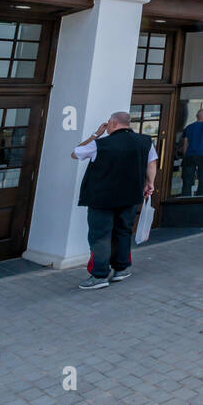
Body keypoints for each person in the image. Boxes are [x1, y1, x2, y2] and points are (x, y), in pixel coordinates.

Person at [71, 111, 157, 290]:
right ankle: (121, 269)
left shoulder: (100, 144)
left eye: (109, 123)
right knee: (123, 231)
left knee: (100, 235)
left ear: (113, 123)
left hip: (102, 197)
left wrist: (96, 134)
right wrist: (150, 184)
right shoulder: (145, 141)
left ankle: (100, 275)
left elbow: (75, 153)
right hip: (131, 195)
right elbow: (152, 164)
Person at [179, 108, 203, 198]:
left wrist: (185, 157)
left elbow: (185, 144)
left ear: (197, 116)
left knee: (187, 181)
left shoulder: (188, 127)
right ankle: (200, 200)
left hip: (190, 156)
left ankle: (185, 200)